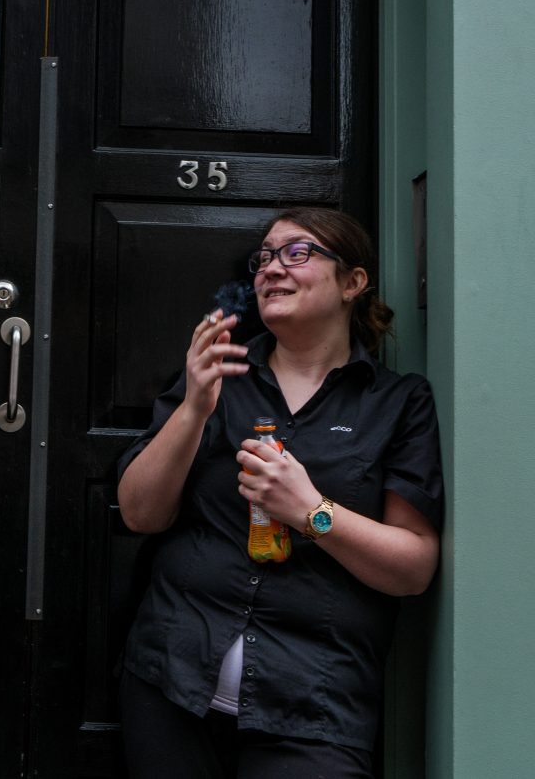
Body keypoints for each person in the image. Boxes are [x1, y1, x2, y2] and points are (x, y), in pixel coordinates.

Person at [115, 208, 443, 778]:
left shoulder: (398, 403)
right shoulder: (217, 377)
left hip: (314, 708)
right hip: (171, 684)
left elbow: (413, 567)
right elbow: (141, 513)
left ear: (352, 282)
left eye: (297, 253)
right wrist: (194, 407)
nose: (271, 268)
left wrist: (312, 512)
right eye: (264, 257)